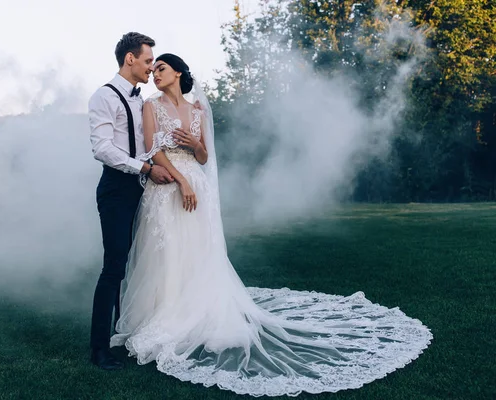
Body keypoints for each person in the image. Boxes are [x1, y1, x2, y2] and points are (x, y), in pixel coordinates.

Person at [109, 53, 433, 396]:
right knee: (167, 251)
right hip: (168, 185)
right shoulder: (150, 105)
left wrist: (194, 145)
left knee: (196, 249)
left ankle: (194, 311)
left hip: (195, 183)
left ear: (178, 73)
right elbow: (152, 151)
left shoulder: (197, 110)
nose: (155, 73)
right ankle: (162, 313)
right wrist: (182, 182)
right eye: (153, 68)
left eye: (161, 68)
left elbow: (205, 157)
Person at [87, 32, 174, 370]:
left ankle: (125, 333)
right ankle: (98, 349)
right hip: (117, 189)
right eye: (148, 60)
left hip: (145, 187)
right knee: (114, 267)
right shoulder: (103, 97)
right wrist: (146, 168)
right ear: (130, 59)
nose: (151, 67)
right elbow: (102, 148)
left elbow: (147, 143)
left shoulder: (143, 101)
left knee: (141, 262)